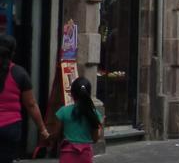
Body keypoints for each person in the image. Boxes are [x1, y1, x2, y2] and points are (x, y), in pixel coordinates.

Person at [0, 35, 49, 163]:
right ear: (13, 52)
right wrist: (42, 129)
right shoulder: (19, 73)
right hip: (10, 127)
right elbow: (31, 104)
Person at [53, 77, 102, 163]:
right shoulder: (94, 113)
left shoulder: (63, 111)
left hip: (67, 154)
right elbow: (95, 139)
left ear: (72, 94)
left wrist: (47, 136)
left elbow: (56, 134)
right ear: (89, 94)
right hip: (85, 155)